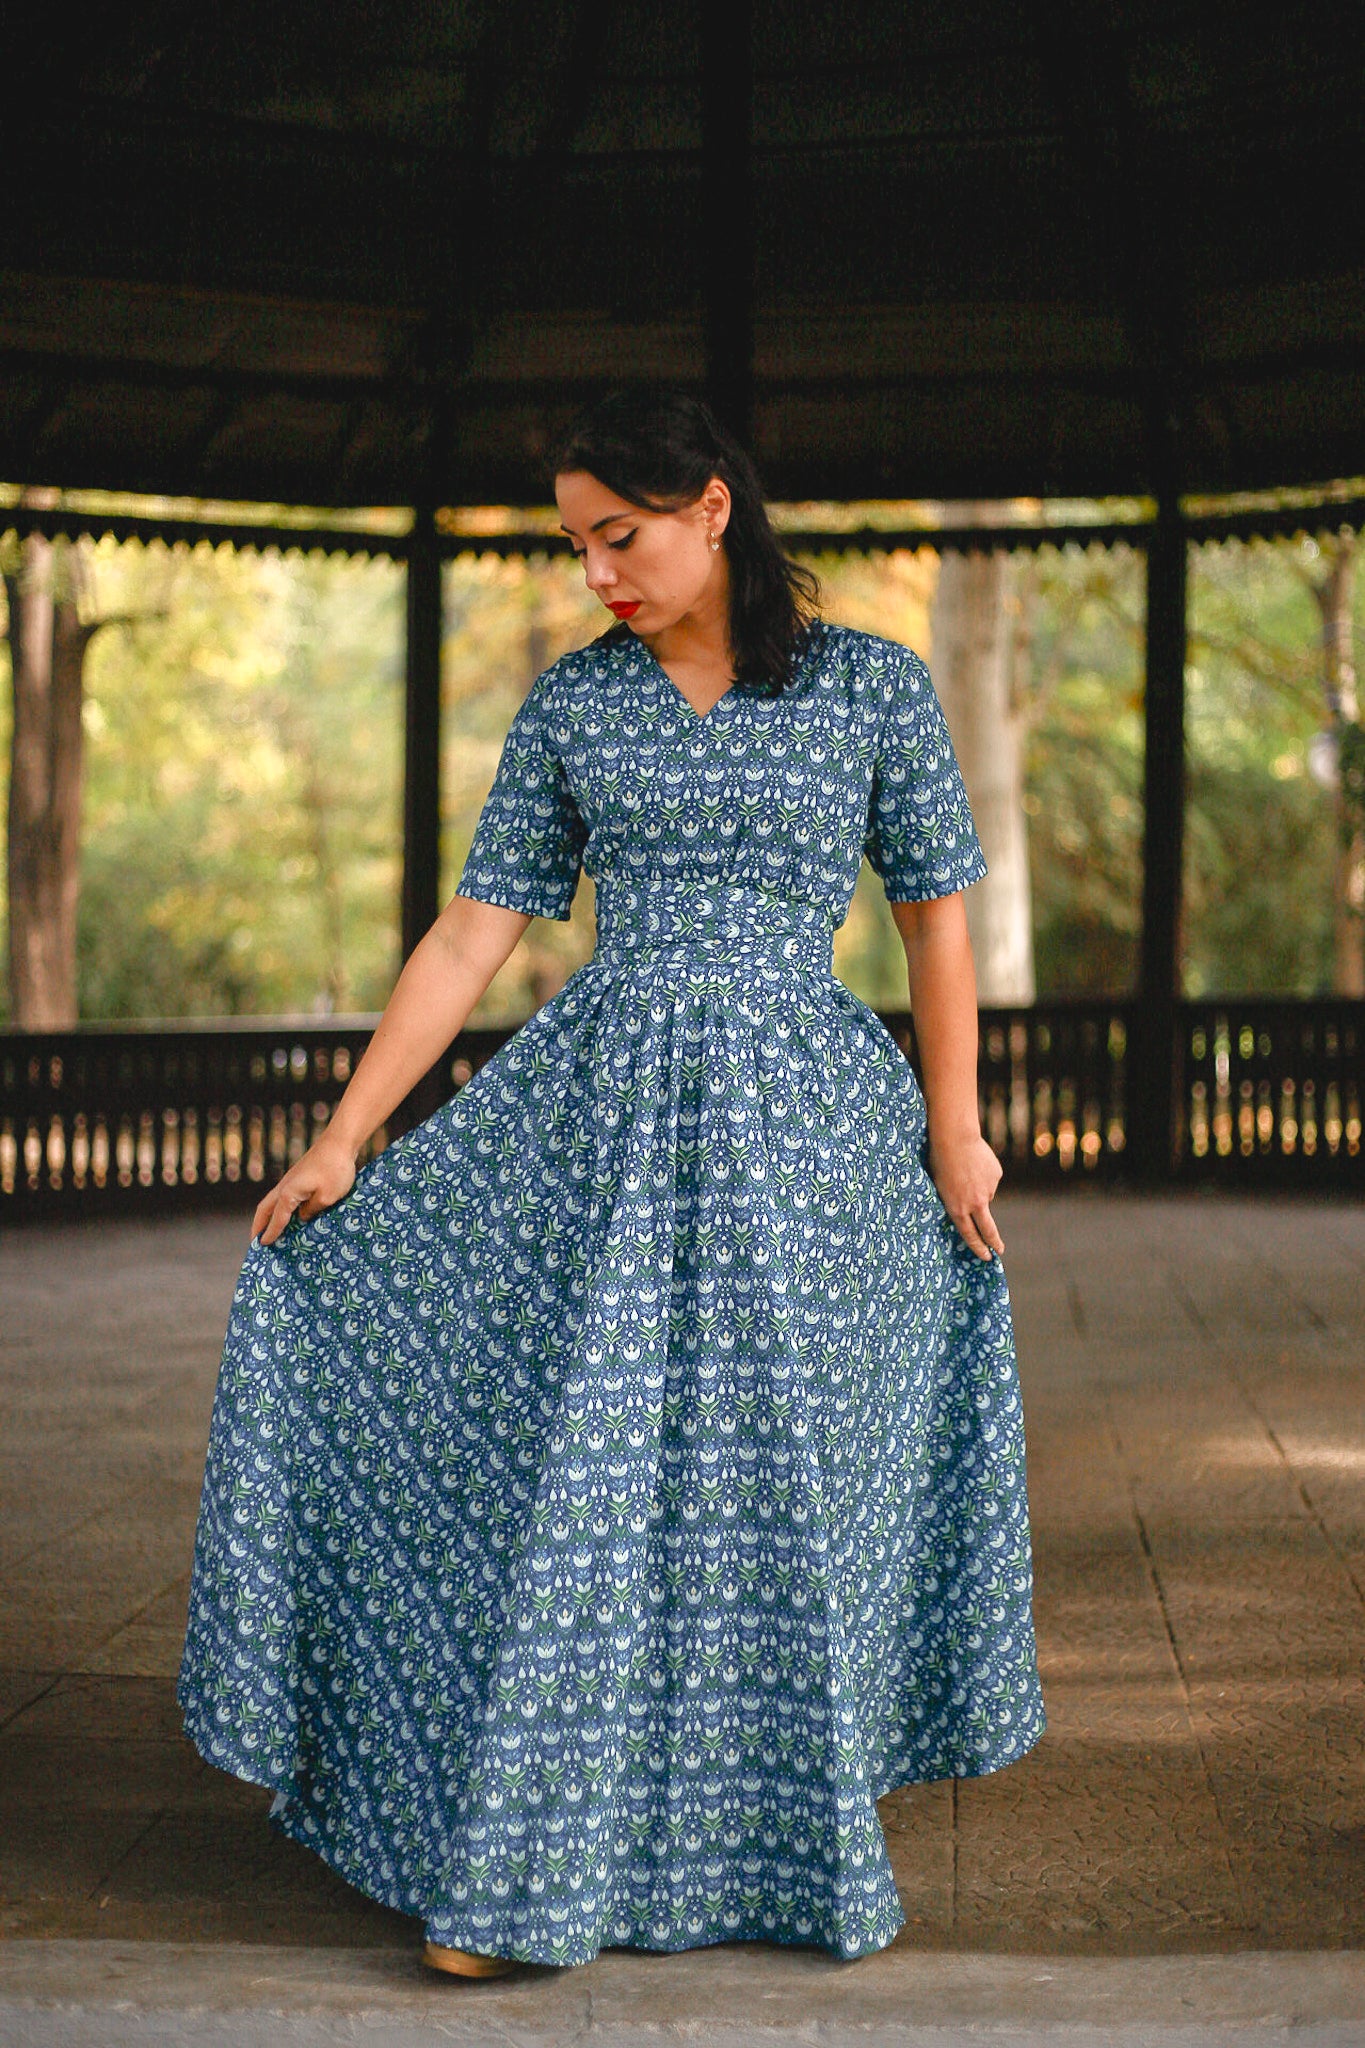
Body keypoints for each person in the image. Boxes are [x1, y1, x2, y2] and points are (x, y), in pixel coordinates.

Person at [177, 388, 1045, 1977]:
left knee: (774, 1482)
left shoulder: (871, 688)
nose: (595, 574)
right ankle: (524, 1873)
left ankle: (781, 1844)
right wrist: (345, 1133)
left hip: (808, 1131)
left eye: (618, 536)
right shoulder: (576, 707)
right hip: (609, 1124)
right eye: (577, 545)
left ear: (713, 509)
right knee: (585, 1477)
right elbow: (470, 933)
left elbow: (935, 919)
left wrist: (955, 1126)